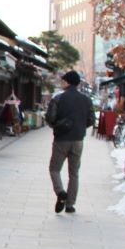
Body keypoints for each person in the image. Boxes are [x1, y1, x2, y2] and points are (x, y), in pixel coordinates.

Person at [45, 70, 93, 214]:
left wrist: (58, 126)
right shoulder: (86, 100)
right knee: (74, 173)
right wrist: (79, 127)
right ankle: (70, 205)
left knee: (54, 169)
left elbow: (50, 118)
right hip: (78, 140)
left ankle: (60, 193)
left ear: (67, 82)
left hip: (61, 140)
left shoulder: (58, 99)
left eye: (63, 80)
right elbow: (91, 120)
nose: (61, 82)